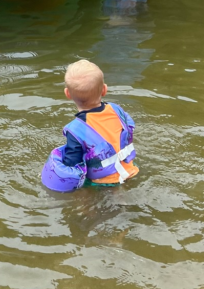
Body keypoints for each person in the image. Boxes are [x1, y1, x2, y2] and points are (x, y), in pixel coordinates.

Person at [41, 60, 139, 191]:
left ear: (67, 94)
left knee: (83, 200)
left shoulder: (76, 129)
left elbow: (72, 165)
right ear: (104, 89)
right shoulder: (117, 110)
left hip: (101, 183)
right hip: (130, 171)